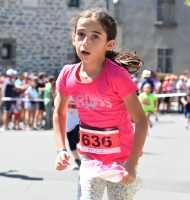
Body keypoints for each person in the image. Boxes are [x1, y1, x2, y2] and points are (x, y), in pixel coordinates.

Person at [53, 8, 147, 199]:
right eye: (81, 34)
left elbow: (141, 121)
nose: (85, 42)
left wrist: (132, 164)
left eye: (95, 36)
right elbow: (59, 113)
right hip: (90, 157)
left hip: (122, 159)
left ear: (109, 44)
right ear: (73, 38)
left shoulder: (117, 76)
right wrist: (61, 149)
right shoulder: (67, 74)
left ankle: (133, 182)